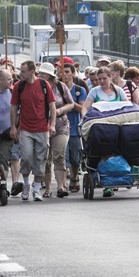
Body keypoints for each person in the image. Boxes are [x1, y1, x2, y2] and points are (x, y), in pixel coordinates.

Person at [9, 60, 56, 202]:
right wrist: (13, 126)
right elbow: (14, 107)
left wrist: (52, 124)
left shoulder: (43, 84)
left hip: (42, 128)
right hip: (25, 128)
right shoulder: (19, 86)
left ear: (31, 71)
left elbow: (52, 106)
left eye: (23, 71)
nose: (20, 74)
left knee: (41, 159)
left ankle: (36, 188)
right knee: (27, 156)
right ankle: (26, 184)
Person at [81, 66, 128, 197]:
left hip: (117, 126)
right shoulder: (95, 92)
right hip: (102, 127)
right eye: (99, 79)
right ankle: (106, 182)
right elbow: (85, 107)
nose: (101, 81)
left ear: (110, 77)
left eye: (104, 78)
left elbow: (127, 106)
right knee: (102, 150)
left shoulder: (118, 91)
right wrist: (85, 117)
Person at [36, 62, 74, 199]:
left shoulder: (60, 86)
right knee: (46, 159)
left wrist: (59, 110)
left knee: (59, 155)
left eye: (44, 74)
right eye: (39, 73)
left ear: (51, 75)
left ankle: (60, 186)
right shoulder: (37, 87)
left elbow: (71, 103)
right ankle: (47, 188)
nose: (40, 76)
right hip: (42, 126)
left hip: (60, 125)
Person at [0, 69, 20, 195]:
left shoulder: (13, 93)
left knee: (3, 159)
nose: (11, 81)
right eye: (8, 79)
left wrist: (16, 128)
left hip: (7, 133)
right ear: (0, 80)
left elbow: (18, 112)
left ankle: (2, 187)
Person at [62, 63, 87, 193]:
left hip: (74, 128)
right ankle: (63, 183)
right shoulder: (57, 88)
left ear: (72, 73)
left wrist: (70, 102)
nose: (64, 74)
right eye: (61, 72)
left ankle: (74, 176)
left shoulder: (79, 90)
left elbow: (82, 108)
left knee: (75, 159)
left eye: (67, 71)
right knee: (62, 158)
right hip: (61, 129)